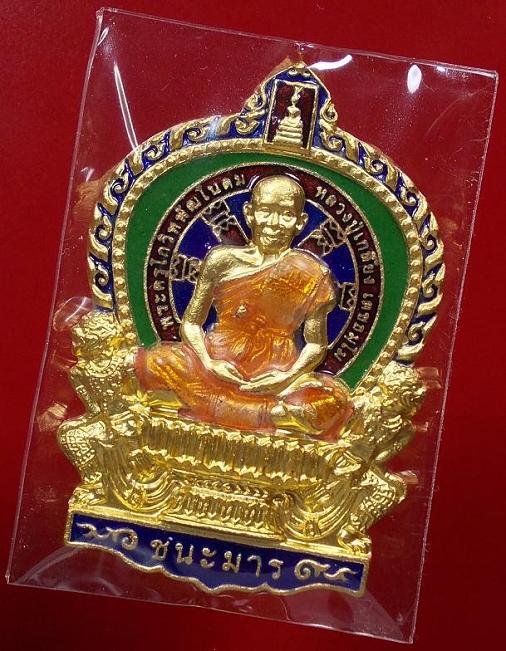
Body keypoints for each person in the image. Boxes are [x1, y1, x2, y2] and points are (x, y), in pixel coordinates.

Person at [135, 175, 352, 440]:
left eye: (286, 214)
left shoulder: (312, 273)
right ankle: (266, 416)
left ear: (300, 222)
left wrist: (286, 377)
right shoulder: (222, 260)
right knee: (154, 363)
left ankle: (210, 407)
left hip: (273, 373)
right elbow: (191, 323)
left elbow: (316, 344)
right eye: (265, 211)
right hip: (216, 362)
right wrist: (209, 362)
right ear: (249, 213)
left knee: (331, 400)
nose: (274, 223)